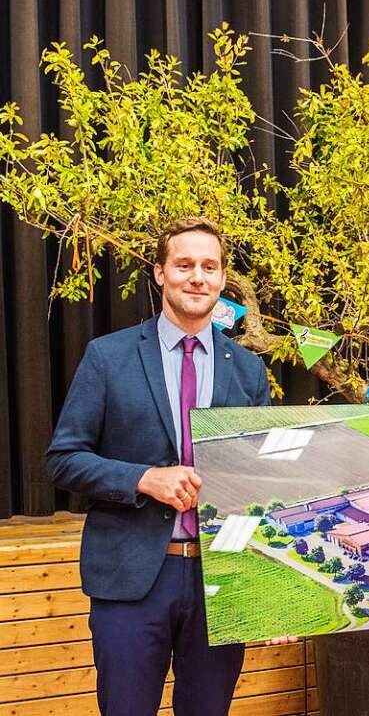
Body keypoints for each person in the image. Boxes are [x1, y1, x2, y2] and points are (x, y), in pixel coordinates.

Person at [47, 217, 273, 715]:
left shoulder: (250, 369)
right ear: (159, 273)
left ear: (221, 279)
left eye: (209, 267)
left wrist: (268, 589)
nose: (197, 277)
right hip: (132, 580)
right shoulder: (109, 357)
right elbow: (63, 460)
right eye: (184, 265)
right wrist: (142, 478)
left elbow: (257, 485)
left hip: (221, 584)